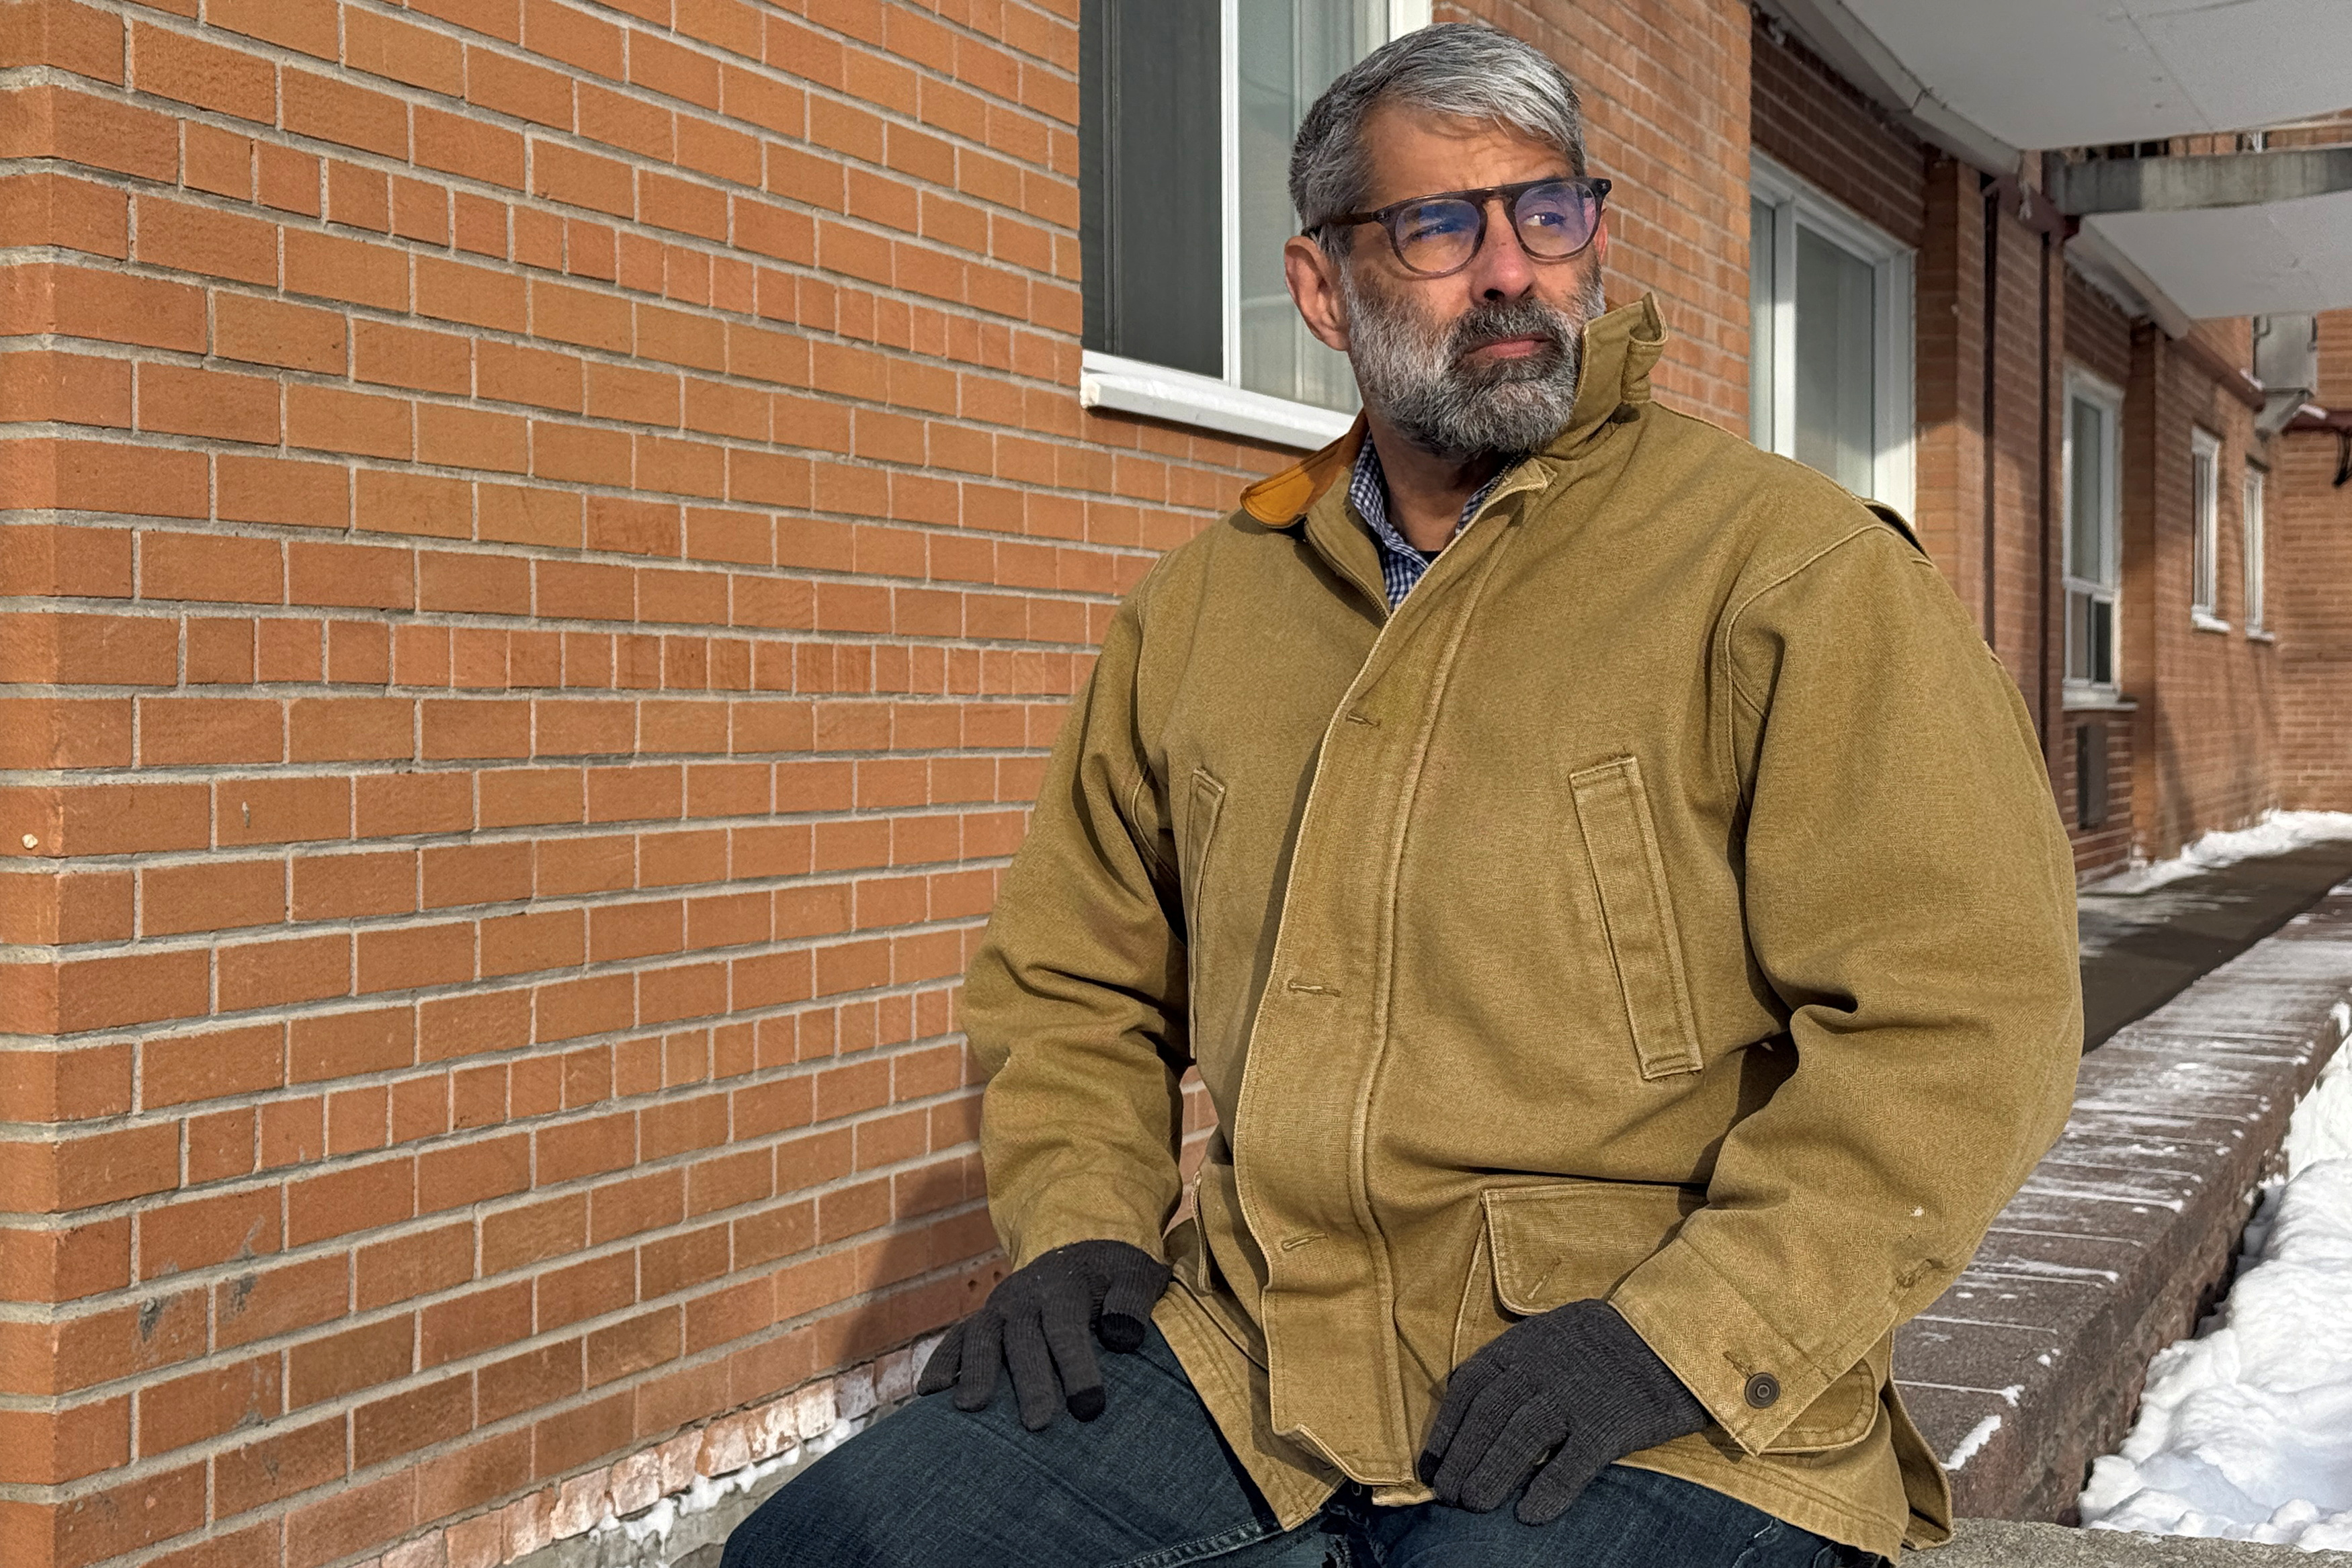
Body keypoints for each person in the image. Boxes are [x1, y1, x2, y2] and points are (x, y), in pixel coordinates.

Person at [724, 21, 2080, 1568]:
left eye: (1545, 212)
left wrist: (1691, 1337)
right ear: (1321, 288)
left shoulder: (1787, 572)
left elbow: (1968, 1019)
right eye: (1439, 226)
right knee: (831, 1550)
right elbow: (1072, 978)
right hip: (1259, 1352)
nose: (1508, 270)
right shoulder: (1207, 610)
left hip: (1654, 1378)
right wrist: (1083, 1227)